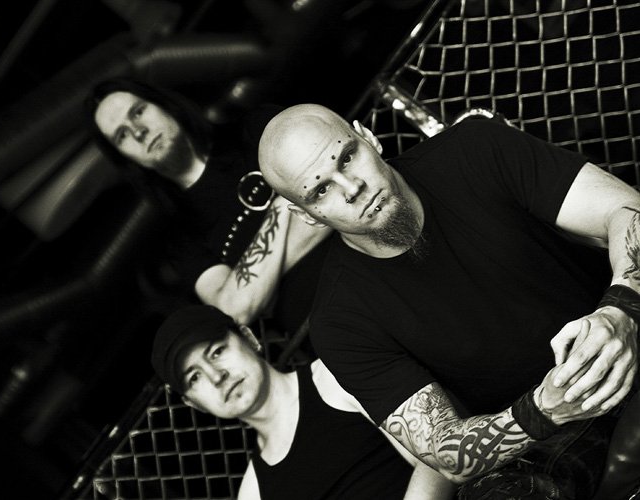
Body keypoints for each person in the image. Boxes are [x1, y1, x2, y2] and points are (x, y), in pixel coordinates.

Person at [257, 103, 640, 498]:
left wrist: (621, 310)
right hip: (548, 433)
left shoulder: (473, 151)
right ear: (306, 215)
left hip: (627, 329)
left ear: (368, 138)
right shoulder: (339, 322)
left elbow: (625, 210)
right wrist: (544, 409)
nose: (351, 188)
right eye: (321, 190)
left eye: (348, 157)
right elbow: (445, 451)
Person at [87, 79, 332, 335]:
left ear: (164, 104)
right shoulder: (180, 240)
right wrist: (282, 208)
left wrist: (260, 286)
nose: (138, 132)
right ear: (125, 158)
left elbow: (338, 184)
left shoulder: (256, 129)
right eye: (122, 135)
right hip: (326, 334)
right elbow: (235, 310)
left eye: (138, 112)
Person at [150, 303, 457, 500]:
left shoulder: (336, 376)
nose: (217, 376)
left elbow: (435, 455)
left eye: (217, 352)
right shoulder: (253, 493)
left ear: (249, 338)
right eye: (195, 377)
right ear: (195, 404)